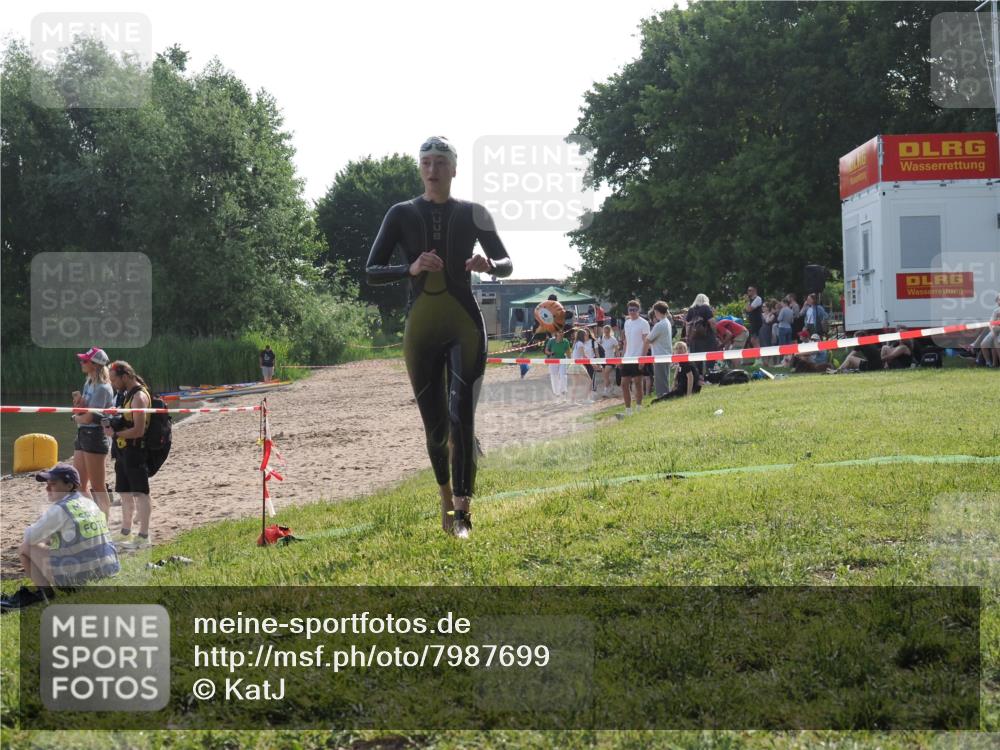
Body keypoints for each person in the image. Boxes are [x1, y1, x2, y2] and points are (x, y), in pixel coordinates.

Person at [365, 136, 512, 538]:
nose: (433, 170)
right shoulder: (400, 213)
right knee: (435, 428)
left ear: (454, 169)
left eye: (441, 162)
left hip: (465, 324)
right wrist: (410, 268)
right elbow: (372, 270)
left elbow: (507, 262)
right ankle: (446, 499)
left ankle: (463, 513)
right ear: (420, 169)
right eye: (426, 162)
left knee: (461, 417)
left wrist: (488, 264)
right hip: (422, 329)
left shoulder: (473, 213)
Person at [1, 463, 119, 612]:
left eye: (53, 484)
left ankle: (44, 593)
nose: (47, 488)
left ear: (69, 486)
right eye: (47, 484)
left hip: (79, 579)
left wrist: (43, 532)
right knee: (50, 540)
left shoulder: (60, 509)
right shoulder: (89, 503)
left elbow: (29, 537)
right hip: (107, 571)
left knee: (26, 547)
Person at [104, 361, 153, 548]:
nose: (113, 384)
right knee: (124, 493)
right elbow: (128, 421)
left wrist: (115, 434)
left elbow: (139, 430)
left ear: (125, 376)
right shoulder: (127, 395)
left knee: (141, 493)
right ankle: (126, 532)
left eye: (114, 380)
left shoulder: (139, 397)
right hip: (122, 450)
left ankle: (144, 536)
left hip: (135, 451)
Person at [71, 347, 114, 518]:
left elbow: (90, 417)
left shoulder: (103, 388)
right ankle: (94, 518)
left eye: (84, 360)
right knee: (79, 485)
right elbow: (85, 411)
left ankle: (105, 523)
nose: (81, 363)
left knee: (98, 487)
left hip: (95, 436)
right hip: (83, 434)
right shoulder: (89, 382)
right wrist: (79, 403)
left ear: (95, 365)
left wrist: (76, 418)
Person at [620, 299, 650, 416]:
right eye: (630, 310)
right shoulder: (627, 323)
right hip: (627, 357)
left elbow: (646, 342)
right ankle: (628, 409)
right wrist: (622, 357)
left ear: (638, 310)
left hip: (638, 357)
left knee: (637, 383)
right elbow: (626, 342)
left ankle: (638, 407)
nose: (632, 312)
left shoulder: (644, 323)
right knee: (624, 384)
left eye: (634, 310)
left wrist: (643, 358)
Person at [685, 294, 718, 378]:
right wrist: (716, 333)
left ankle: (698, 377)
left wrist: (688, 336)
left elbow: (687, 324)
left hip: (695, 338)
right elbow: (712, 322)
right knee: (710, 358)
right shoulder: (706, 307)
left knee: (696, 359)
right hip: (707, 337)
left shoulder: (691, 309)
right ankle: (710, 376)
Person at [646, 301, 674, 399]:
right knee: (664, 379)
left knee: (660, 380)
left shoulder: (659, 325)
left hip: (659, 355)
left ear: (657, 311)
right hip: (665, 354)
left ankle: (662, 398)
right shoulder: (667, 322)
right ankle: (665, 396)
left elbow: (648, 339)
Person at [545, 328, 571, 398]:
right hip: (553, 360)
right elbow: (546, 351)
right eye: (560, 332)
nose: (561, 333)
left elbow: (568, 353)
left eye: (562, 332)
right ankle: (556, 392)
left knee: (563, 375)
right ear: (556, 333)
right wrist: (551, 353)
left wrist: (570, 360)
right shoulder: (551, 340)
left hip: (562, 360)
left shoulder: (565, 341)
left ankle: (563, 390)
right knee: (554, 376)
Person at [600, 324, 619, 396]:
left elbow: (617, 351)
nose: (606, 333)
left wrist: (618, 360)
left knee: (606, 373)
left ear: (610, 331)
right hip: (603, 359)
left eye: (607, 331)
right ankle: (611, 387)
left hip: (611, 359)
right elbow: (597, 348)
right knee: (605, 376)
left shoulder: (613, 339)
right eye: (605, 331)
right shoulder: (601, 339)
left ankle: (605, 390)